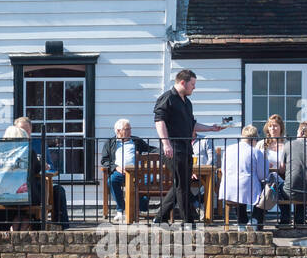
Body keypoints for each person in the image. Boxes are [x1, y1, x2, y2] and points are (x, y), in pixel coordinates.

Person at [152, 69, 228, 227]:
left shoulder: (187, 103)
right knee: (182, 185)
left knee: (181, 183)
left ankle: (160, 217)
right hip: (173, 147)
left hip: (186, 148)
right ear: (182, 82)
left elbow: (192, 124)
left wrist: (212, 128)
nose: (194, 87)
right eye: (192, 84)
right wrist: (166, 143)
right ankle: (188, 221)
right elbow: (159, 121)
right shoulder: (168, 98)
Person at [100, 119, 155, 224]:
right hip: (120, 172)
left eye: (130, 129)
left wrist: (166, 151)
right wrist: (116, 167)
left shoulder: (136, 141)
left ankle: (139, 207)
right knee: (111, 180)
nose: (130, 131)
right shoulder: (110, 143)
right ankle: (121, 209)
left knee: (151, 179)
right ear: (118, 131)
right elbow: (104, 160)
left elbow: (150, 149)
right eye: (127, 129)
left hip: (137, 172)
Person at [219, 125, 269, 229]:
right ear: (255, 139)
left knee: (240, 189)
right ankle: (256, 219)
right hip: (246, 187)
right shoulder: (256, 152)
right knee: (268, 190)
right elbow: (263, 175)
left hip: (228, 188)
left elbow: (223, 169)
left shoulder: (228, 149)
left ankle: (241, 221)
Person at [281, 120, 307, 228]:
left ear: (301, 132)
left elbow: (281, 168)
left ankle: (285, 219)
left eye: (298, 131)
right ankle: (300, 219)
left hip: (290, 192)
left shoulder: (288, 145)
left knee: (281, 187)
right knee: (303, 184)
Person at [256, 114, 288, 223]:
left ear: (281, 128)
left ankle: (285, 220)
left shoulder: (286, 144)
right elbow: (256, 161)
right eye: (270, 126)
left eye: (275, 126)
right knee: (265, 189)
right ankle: (258, 220)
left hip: (282, 176)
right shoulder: (262, 144)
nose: (273, 129)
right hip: (265, 176)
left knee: (282, 189)